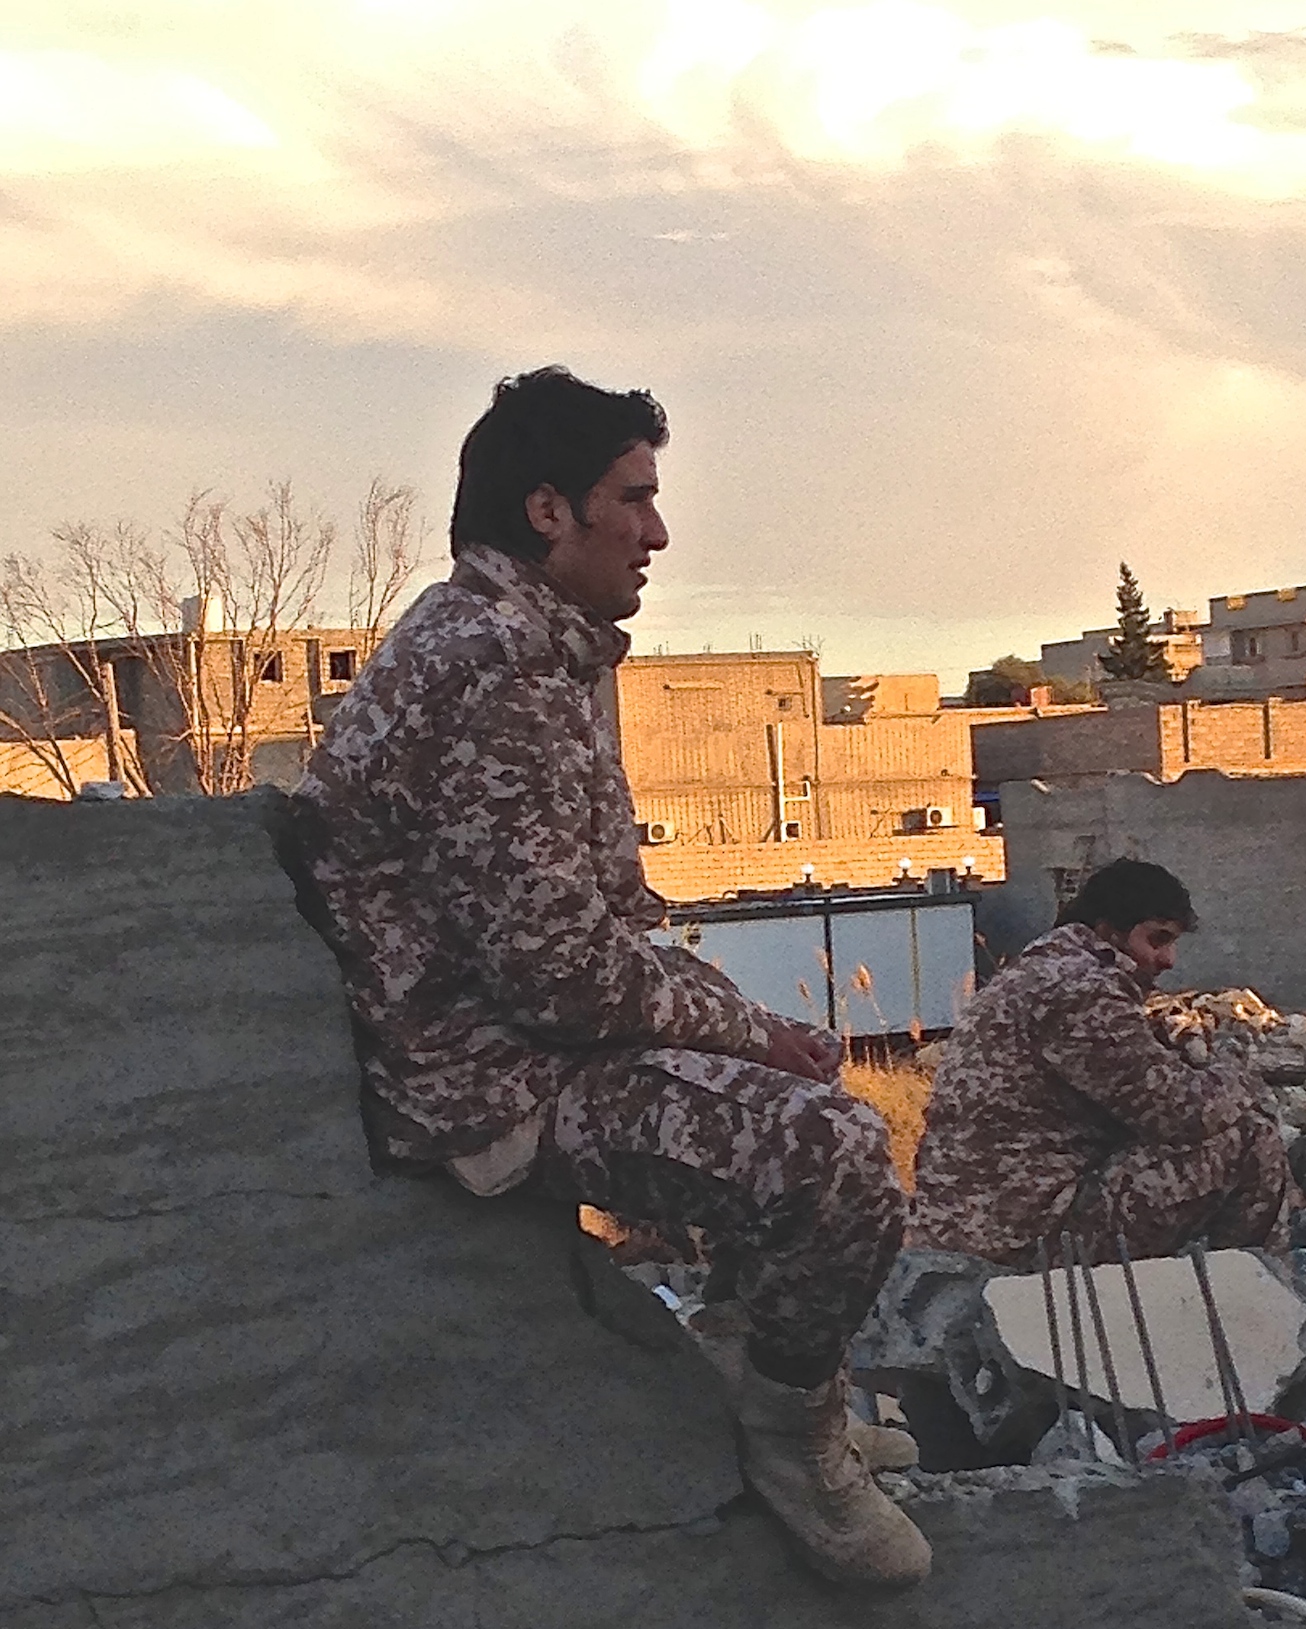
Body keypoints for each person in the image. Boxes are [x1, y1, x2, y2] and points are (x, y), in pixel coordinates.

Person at [293, 366, 928, 1586]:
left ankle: (749, 1383)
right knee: (836, 1158)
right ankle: (791, 1443)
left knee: (803, 1119)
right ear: (548, 511)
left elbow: (590, 934)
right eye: (631, 498)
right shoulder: (493, 665)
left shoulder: (533, 645)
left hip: (530, 1040)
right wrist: (746, 1032)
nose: (658, 530)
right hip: (486, 1080)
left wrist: (737, 1027)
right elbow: (561, 976)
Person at [909, 858, 1293, 1268]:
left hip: (977, 1220)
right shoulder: (1081, 992)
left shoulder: (1040, 973)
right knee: (1251, 1140)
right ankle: (1242, 1298)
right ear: (1110, 932)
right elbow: (1183, 1113)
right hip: (1026, 1235)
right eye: (1158, 939)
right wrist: (1237, 1072)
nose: (1169, 960)